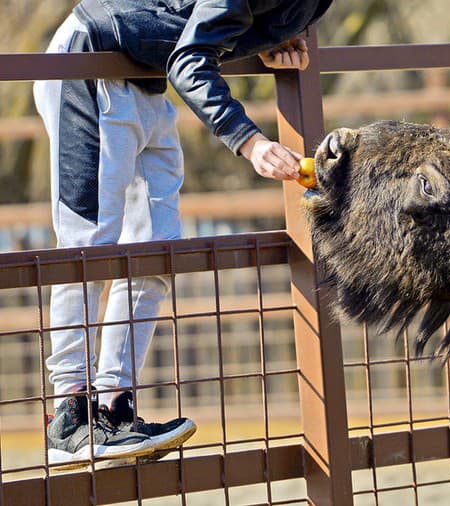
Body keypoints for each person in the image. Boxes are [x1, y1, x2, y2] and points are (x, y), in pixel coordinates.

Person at [33, 0, 332, 468]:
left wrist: (271, 38)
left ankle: (114, 408)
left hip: (149, 84)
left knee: (158, 250)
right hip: (90, 62)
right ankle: (69, 413)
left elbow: (203, 30)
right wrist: (250, 141)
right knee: (89, 242)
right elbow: (191, 58)